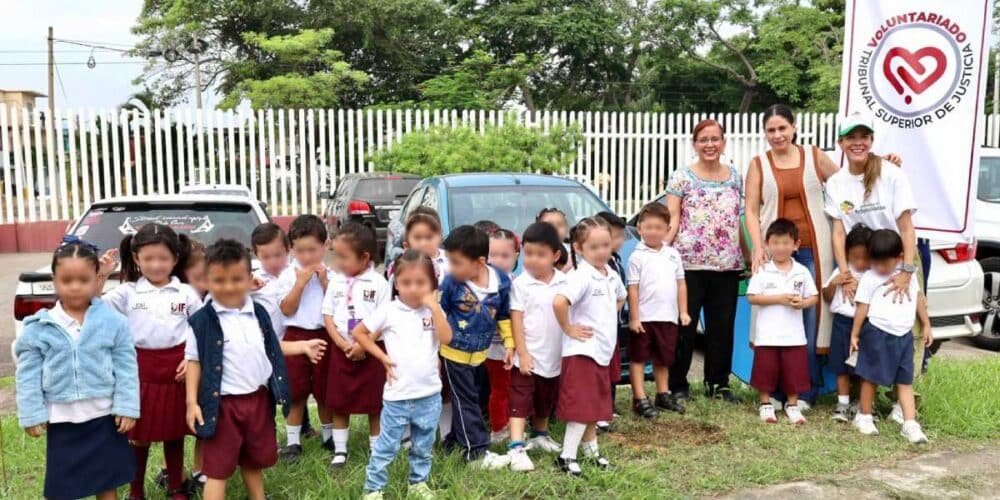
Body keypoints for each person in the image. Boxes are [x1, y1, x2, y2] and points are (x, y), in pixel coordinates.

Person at [746, 105, 903, 409]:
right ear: (765, 134)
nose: (777, 135)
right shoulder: (758, 165)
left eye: (782, 128)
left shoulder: (813, 156)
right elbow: (751, 209)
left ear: (794, 128)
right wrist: (757, 246)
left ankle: (804, 391)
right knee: (775, 316)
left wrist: (884, 163)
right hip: (775, 252)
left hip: (817, 250)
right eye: (771, 130)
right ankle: (775, 391)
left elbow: (852, 177)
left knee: (812, 317)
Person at [15, 238, 139, 500]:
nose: (74, 287)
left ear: (97, 277)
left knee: (107, 482)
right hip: (62, 420)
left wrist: (127, 406)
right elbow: (27, 374)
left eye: (83, 280)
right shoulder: (38, 327)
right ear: (55, 279)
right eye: (66, 280)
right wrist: (31, 412)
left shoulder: (113, 322)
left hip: (104, 417)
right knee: (62, 488)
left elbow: (127, 366)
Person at [825, 112, 923, 423]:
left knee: (908, 327)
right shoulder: (837, 182)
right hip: (862, 263)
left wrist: (907, 270)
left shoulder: (891, 173)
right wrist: (845, 273)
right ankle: (862, 398)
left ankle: (901, 399)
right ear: (840, 143)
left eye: (863, 136)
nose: (858, 142)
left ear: (871, 140)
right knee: (870, 328)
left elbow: (906, 226)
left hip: (897, 258)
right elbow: (838, 231)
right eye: (851, 137)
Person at [99, 223, 202, 500]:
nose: (156, 265)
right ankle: (135, 491)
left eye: (163, 258)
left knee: (174, 431)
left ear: (175, 259)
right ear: (136, 259)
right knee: (138, 434)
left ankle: (176, 487)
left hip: (177, 369)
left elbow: (201, 329)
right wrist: (102, 275)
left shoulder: (186, 294)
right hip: (139, 370)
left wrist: (190, 359)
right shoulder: (128, 293)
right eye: (149, 259)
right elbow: (93, 305)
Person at [183, 239, 292, 500]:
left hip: (257, 401)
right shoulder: (201, 321)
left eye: (236, 279)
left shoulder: (259, 313)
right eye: (219, 280)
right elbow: (193, 361)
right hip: (223, 406)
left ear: (249, 278)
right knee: (218, 469)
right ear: (207, 280)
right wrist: (191, 402)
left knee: (254, 459)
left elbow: (273, 349)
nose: (229, 287)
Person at [356, 250, 453, 500]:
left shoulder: (435, 311)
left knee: (423, 444)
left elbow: (447, 339)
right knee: (386, 446)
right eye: (406, 283)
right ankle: (374, 488)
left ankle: (418, 483)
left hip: (429, 393)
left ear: (433, 284)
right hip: (398, 395)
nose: (413, 289)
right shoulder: (389, 311)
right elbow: (360, 333)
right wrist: (382, 357)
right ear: (396, 284)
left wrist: (435, 309)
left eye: (421, 283)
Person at [665, 119, 746, 402]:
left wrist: (749, 257)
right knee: (684, 327)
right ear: (694, 144)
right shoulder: (681, 177)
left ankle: (718, 384)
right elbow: (672, 219)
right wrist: (662, 253)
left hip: (727, 265)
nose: (709, 145)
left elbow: (742, 220)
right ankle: (678, 385)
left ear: (724, 142)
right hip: (688, 265)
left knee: (722, 327)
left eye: (715, 139)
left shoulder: (735, 176)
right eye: (703, 140)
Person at [553, 217, 626, 476]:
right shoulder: (581, 276)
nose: (602, 251)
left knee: (595, 404)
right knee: (582, 406)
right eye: (594, 247)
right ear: (579, 248)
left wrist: (608, 319)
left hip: (602, 350)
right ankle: (566, 455)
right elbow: (560, 302)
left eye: (606, 245)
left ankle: (591, 452)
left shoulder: (611, 275)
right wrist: (569, 328)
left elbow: (621, 296)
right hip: (582, 350)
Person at [438, 225, 513, 466]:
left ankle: (453, 443)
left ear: (480, 262)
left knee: (472, 399)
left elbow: (503, 315)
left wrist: (510, 344)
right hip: (453, 353)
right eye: (449, 261)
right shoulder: (450, 283)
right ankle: (477, 453)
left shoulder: (500, 282)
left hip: (481, 354)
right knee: (465, 400)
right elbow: (440, 312)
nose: (451, 268)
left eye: (456, 262)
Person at [849, 229, 931, 443]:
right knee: (870, 378)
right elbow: (862, 308)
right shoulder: (869, 278)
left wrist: (927, 324)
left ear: (900, 258)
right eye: (875, 262)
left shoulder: (908, 276)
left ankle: (910, 423)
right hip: (877, 332)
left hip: (903, 335)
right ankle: (864, 415)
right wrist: (855, 333)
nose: (879, 268)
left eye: (884, 263)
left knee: (905, 381)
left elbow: (919, 299)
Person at [321, 222, 391, 468]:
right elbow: (328, 316)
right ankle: (340, 450)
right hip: (342, 351)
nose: (338, 263)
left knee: (375, 404)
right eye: (336, 256)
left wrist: (365, 344)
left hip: (371, 352)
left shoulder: (379, 283)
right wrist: (340, 343)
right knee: (340, 402)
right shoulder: (336, 282)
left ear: (364, 257)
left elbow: (384, 318)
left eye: (343, 257)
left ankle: (376, 449)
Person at [505, 222, 568, 472]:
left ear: (555, 255)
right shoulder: (521, 284)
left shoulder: (565, 282)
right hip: (528, 356)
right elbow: (516, 320)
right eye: (528, 254)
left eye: (540, 255)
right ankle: (516, 446)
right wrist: (523, 353)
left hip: (555, 354)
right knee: (520, 400)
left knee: (546, 398)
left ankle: (540, 433)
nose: (533, 260)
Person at [274, 214, 335, 461]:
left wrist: (323, 283)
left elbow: (337, 307)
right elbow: (286, 309)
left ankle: (329, 436)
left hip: (324, 334)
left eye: (313, 249)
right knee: (296, 390)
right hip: (296, 336)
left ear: (326, 245)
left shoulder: (331, 275)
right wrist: (299, 284)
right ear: (291, 249)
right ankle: (292, 441)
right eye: (300, 251)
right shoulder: (288, 275)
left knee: (324, 389)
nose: (307, 257)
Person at [746, 219, 819, 424]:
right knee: (766, 370)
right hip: (767, 335)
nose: (780, 248)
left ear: (796, 245)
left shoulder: (802, 271)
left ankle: (793, 406)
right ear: (767, 244)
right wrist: (778, 299)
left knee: (794, 372)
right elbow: (752, 297)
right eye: (775, 243)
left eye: (786, 243)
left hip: (794, 335)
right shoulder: (762, 270)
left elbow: (814, 297)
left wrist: (802, 303)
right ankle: (766, 404)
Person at [626, 203, 689, 418]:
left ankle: (663, 393)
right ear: (640, 229)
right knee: (639, 358)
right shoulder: (637, 256)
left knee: (664, 358)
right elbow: (632, 289)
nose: (653, 232)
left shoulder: (673, 255)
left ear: (667, 229)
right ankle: (640, 398)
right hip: (644, 318)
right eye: (648, 227)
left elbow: (680, 284)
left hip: (667, 317)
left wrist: (683, 312)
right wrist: (635, 318)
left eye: (658, 227)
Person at [822, 224, 873, 422]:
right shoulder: (841, 271)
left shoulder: (873, 275)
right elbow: (826, 297)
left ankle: (862, 403)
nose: (860, 262)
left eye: (865, 257)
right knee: (841, 366)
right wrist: (835, 283)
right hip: (841, 324)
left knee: (863, 368)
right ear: (846, 253)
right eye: (855, 257)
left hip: (866, 326)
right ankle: (842, 404)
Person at [594, 211, 628, 430]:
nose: (619, 241)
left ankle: (608, 407)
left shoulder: (614, 262)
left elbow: (621, 294)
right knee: (597, 369)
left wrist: (613, 313)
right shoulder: (589, 268)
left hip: (612, 326)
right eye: (616, 236)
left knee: (612, 367)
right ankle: (596, 412)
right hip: (595, 330)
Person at [485, 227, 519, 443]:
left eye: (505, 255)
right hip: (496, 348)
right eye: (493, 255)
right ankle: (498, 429)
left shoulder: (514, 280)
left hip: (515, 345)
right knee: (500, 389)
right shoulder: (488, 283)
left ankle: (509, 423)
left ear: (516, 256)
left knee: (510, 387)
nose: (498, 260)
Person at [537, 208, 572, 272]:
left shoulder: (574, 254)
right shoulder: (534, 253)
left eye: (560, 225)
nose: (555, 228)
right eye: (549, 225)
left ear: (567, 229)